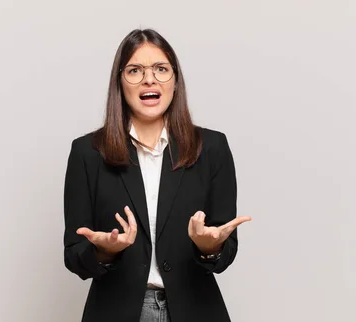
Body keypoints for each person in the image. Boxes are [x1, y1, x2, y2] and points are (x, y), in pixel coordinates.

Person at [63, 28, 251, 322]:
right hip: (115, 311)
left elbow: (225, 252)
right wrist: (105, 252)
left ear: (175, 81)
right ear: (120, 83)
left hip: (196, 310)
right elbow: (74, 256)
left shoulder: (212, 148)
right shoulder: (87, 153)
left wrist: (210, 247)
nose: (149, 79)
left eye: (161, 69)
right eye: (135, 70)